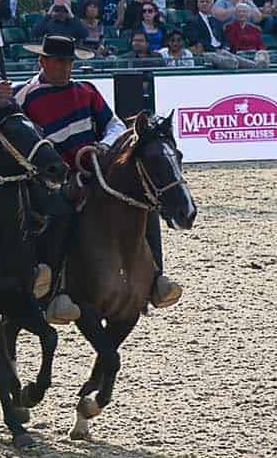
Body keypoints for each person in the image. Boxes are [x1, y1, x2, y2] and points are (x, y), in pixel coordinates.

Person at [12, 34, 180, 321]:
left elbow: (113, 124)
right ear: (43, 61)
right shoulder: (23, 95)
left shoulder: (86, 90)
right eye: (59, 62)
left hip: (95, 169)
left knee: (145, 204)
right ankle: (55, 288)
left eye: (69, 62)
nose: (66, 68)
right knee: (62, 213)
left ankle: (155, 279)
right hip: (52, 177)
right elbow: (17, 135)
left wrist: (104, 145)